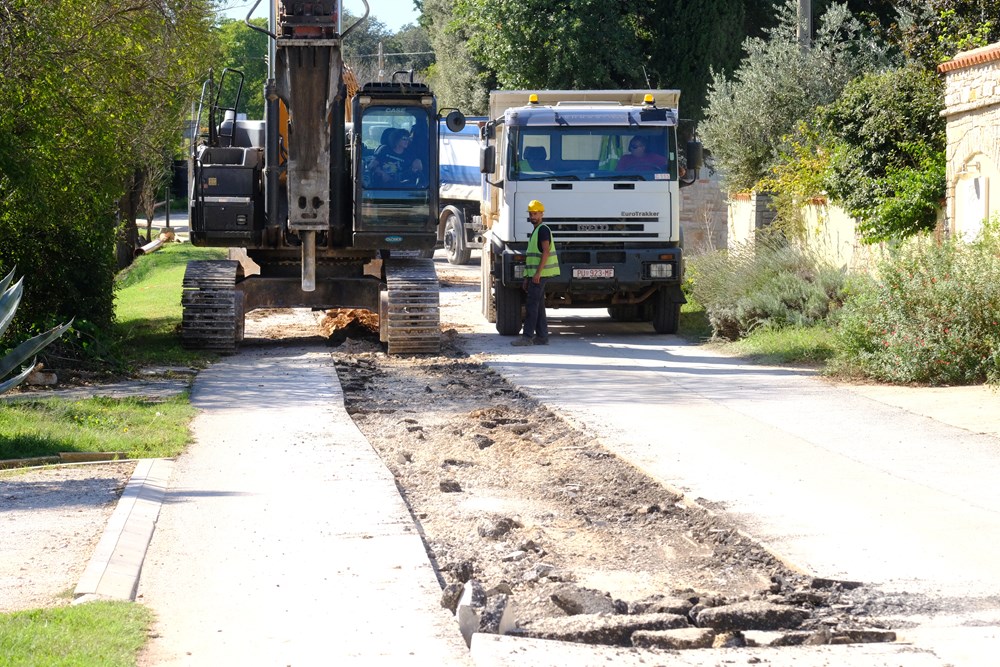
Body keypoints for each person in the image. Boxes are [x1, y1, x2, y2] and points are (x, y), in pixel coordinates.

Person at [512, 199, 560, 347]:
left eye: (535, 214)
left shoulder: (543, 230)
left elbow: (546, 252)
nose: (533, 216)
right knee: (538, 305)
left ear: (541, 214)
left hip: (541, 274)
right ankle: (542, 337)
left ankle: (527, 337)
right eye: (531, 214)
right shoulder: (537, 230)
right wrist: (527, 277)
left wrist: (538, 274)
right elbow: (533, 256)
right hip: (536, 274)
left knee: (532, 305)